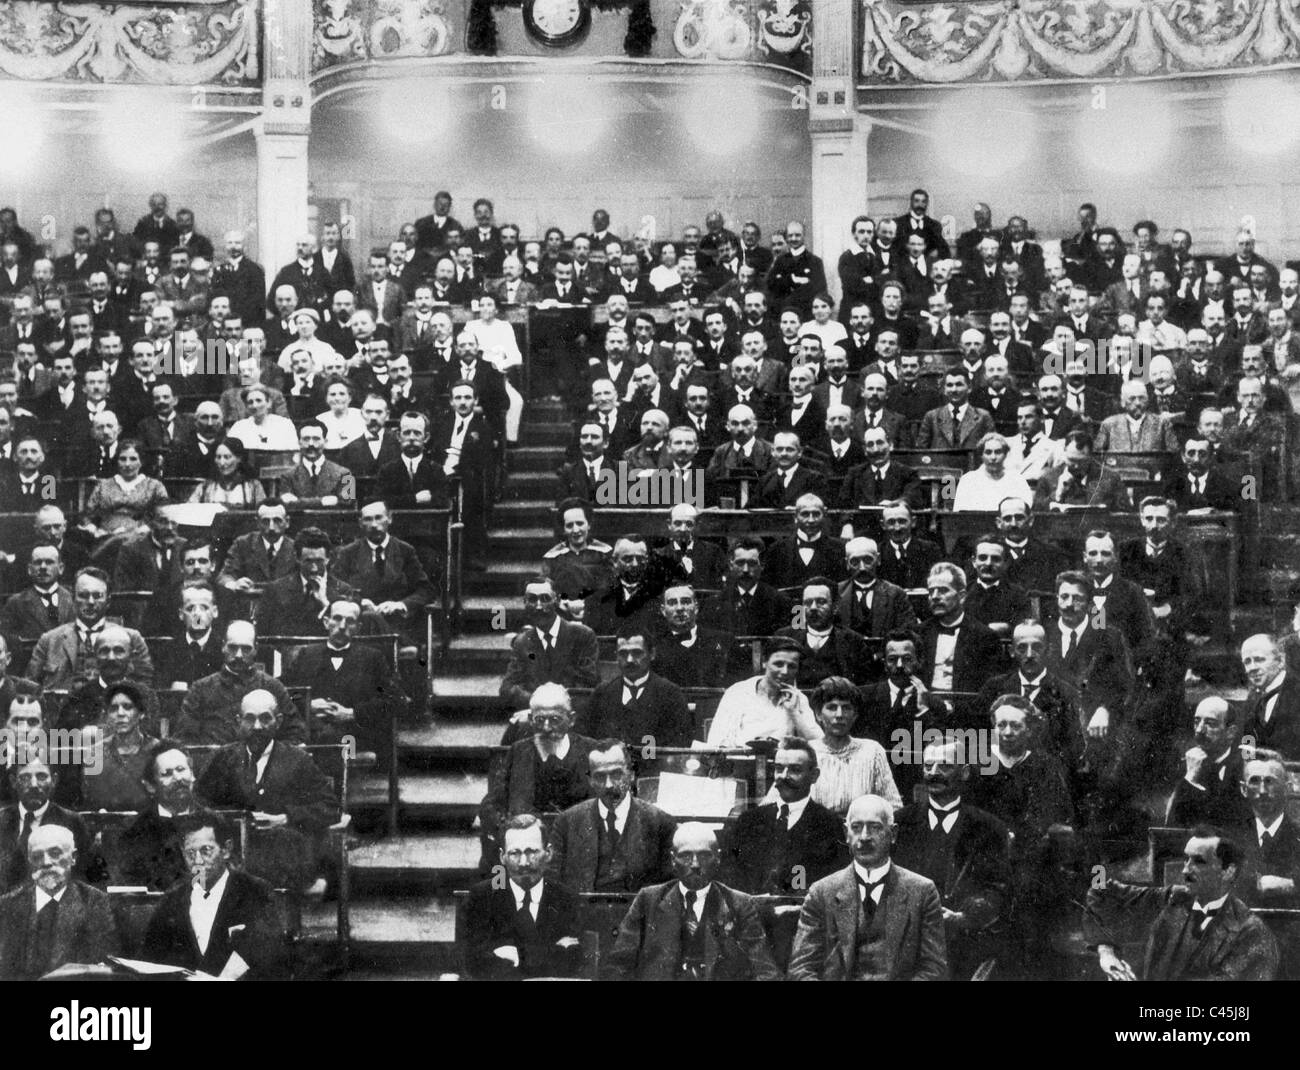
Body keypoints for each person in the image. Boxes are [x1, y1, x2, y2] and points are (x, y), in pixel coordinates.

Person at [1084, 826, 1278, 980]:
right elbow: (1099, 889)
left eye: (1199, 862)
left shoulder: (1253, 934)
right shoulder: (1174, 899)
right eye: (1186, 859)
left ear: (1228, 871)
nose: (1185, 870)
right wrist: (1106, 951)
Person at [788, 793, 949, 980]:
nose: (864, 837)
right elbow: (800, 968)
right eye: (856, 828)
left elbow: (934, 969)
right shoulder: (821, 892)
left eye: (875, 827)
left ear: (893, 834)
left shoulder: (922, 891)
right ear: (846, 834)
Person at [893, 741, 1014, 979]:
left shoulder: (988, 828)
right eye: (928, 766)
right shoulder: (901, 822)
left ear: (965, 771)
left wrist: (963, 918)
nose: (934, 772)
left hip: (963, 942)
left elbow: (998, 888)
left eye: (945, 766)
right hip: (904, 939)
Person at [605, 821, 781, 981]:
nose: (695, 864)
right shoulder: (648, 900)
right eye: (686, 856)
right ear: (673, 859)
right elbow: (618, 966)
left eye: (704, 855)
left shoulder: (740, 904)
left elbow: (766, 971)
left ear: (718, 858)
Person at [196, 689, 336, 887]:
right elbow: (199, 803)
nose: (257, 727)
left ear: (278, 721)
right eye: (249, 719)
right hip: (232, 852)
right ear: (238, 721)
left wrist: (286, 817)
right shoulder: (222, 759)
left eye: (265, 718)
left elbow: (330, 808)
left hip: (280, 856)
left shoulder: (298, 760)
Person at [140, 810, 288, 978]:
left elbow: (271, 957)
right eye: (190, 853)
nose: (198, 861)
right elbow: (149, 959)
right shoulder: (173, 898)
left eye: (206, 850)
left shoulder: (254, 891)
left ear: (226, 849)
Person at [479, 685, 596, 866]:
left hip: (577, 849)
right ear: (530, 720)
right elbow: (491, 803)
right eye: (539, 720)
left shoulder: (590, 751)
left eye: (555, 720)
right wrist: (511, 831)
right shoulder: (519, 751)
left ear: (571, 719)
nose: (546, 728)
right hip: (527, 851)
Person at [460, 813, 584, 980]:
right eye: (514, 853)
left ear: (548, 853)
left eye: (531, 852)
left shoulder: (566, 898)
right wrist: (550, 953)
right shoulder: (483, 896)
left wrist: (515, 955)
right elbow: (473, 963)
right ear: (502, 857)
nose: (524, 862)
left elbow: (569, 962)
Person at [284, 599, 406, 765]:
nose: (342, 626)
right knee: (315, 738)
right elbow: (284, 690)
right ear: (327, 622)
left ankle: (326, 787)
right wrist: (308, 704)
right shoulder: (307, 655)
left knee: (330, 739)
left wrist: (352, 713)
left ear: (358, 628)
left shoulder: (372, 658)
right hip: (311, 732)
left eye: (350, 621)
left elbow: (396, 700)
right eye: (337, 618)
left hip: (354, 737)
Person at [546, 739, 677, 893]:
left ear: (631, 775)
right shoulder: (567, 823)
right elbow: (552, 883)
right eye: (600, 776)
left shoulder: (660, 823)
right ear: (590, 780)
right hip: (584, 914)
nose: (608, 785)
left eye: (616, 774)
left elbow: (669, 888)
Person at [724, 736, 849, 894]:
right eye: (779, 768)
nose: (784, 776)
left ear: (814, 776)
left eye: (795, 770)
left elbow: (834, 884)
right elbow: (731, 875)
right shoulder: (748, 821)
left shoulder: (829, 825)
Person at [0, 825, 117, 980]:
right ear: (29, 860)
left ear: (73, 857)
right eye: (37, 856)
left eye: (55, 853)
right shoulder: (9, 905)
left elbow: (98, 965)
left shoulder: (94, 903)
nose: (46, 862)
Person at [175, 621, 304, 744]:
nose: (238, 655)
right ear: (223, 647)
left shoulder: (273, 687)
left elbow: (295, 734)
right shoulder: (201, 689)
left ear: (256, 649)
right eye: (232, 647)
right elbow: (185, 739)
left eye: (246, 649)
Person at [26, 568, 153, 690]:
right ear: (73, 599)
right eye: (83, 595)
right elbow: (30, 688)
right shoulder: (49, 641)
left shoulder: (131, 638)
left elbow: (144, 688)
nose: (91, 602)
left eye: (97, 596)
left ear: (108, 601)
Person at [574, 629, 693, 748]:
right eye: (623, 653)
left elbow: (679, 742)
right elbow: (584, 736)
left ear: (652, 654)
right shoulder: (602, 692)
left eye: (637, 653)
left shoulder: (670, 694)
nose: (629, 660)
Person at [499, 577, 599, 710]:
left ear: (556, 600)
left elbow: (587, 682)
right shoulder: (522, 642)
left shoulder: (582, 635)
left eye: (545, 598)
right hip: (535, 714)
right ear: (525, 602)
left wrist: (555, 705)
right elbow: (507, 688)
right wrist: (537, 703)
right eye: (532, 599)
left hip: (572, 713)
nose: (539, 606)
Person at [807, 677, 901, 815]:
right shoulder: (807, 751)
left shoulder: (872, 751)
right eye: (832, 707)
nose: (839, 715)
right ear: (818, 714)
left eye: (846, 708)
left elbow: (892, 806)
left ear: (855, 714)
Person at [707, 637, 822, 747]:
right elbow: (716, 740)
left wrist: (793, 712)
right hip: (741, 763)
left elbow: (818, 744)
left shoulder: (798, 698)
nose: (785, 671)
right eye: (778, 664)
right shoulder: (737, 692)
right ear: (764, 662)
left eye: (792, 666)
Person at [256, 527, 361, 638]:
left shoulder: (344, 590)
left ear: (328, 558)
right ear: (297, 558)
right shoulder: (276, 590)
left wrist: (325, 603)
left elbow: (347, 636)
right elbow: (265, 633)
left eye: (319, 561)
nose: (314, 569)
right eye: (308, 561)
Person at [1166, 696, 1251, 829]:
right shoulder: (1185, 765)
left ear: (1230, 732)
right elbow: (1171, 828)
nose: (1199, 730)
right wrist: (1190, 779)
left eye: (1210, 724)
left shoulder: (1244, 769)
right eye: (1196, 721)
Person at [80, 682, 158, 812]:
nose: (120, 713)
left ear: (141, 713)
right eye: (113, 709)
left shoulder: (156, 750)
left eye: (127, 707)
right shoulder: (96, 753)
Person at [81, 438, 169, 538]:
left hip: (141, 539)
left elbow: (163, 516)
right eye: (123, 459)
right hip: (105, 537)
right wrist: (92, 528)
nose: (127, 464)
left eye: (133, 459)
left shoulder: (154, 486)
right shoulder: (103, 485)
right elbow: (88, 514)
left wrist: (146, 529)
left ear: (141, 461)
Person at [1240, 633, 1300, 759]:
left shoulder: (1297, 691)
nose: (1252, 668)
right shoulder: (1252, 698)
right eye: (1247, 662)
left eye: (1259, 659)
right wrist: (1248, 763)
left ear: (1281, 661)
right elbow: (1247, 741)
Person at [216, 499, 297, 593]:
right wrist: (234, 584)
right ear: (257, 523)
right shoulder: (242, 544)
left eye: (277, 520)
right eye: (265, 521)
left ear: (287, 522)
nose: (271, 527)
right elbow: (225, 576)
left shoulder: (295, 548)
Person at [952, 433, 1032, 512]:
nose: (993, 457)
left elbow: (1027, 512)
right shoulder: (968, 480)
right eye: (988, 452)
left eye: (998, 452)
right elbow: (959, 514)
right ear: (981, 455)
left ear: (1005, 454)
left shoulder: (1017, 480)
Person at [188, 438, 265, 507]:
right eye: (218, 457)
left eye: (227, 457)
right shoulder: (205, 487)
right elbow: (189, 509)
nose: (222, 463)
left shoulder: (254, 487)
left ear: (239, 458)